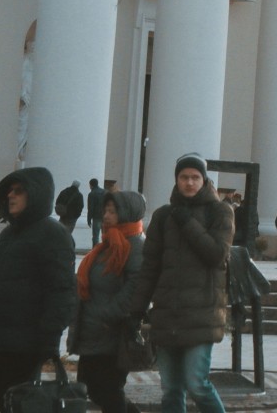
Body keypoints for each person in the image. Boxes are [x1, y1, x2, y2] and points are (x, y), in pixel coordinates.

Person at [134, 154, 234, 413]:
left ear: (204, 180)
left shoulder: (220, 211)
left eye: (195, 177)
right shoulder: (163, 216)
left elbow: (216, 255)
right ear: (176, 180)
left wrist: (187, 221)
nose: (189, 182)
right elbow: (150, 267)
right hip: (168, 314)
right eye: (184, 177)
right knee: (171, 388)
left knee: (196, 384)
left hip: (203, 314)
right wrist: (137, 308)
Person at [0, 167, 77, 410]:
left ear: (36, 195)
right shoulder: (8, 235)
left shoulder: (53, 234)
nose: (11, 195)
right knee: (5, 403)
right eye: (9, 191)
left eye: (19, 191)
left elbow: (61, 291)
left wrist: (51, 337)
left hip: (31, 342)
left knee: (24, 405)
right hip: (4, 341)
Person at [71, 188, 147, 413]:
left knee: (108, 390)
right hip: (93, 331)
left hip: (112, 332)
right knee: (94, 389)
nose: (105, 216)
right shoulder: (107, 243)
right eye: (105, 211)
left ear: (127, 213)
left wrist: (108, 316)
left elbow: (136, 286)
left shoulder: (135, 245)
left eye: (113, 211)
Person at [85, 180, 106, 246]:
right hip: (105, 216)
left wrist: (89, 219)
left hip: (96, 217)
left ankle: (95, 249)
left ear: (91, 185)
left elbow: (90, 208)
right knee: (105, 235)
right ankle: (106, 249)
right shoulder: (105, 192)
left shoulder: (92, 194)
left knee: (95, 236)